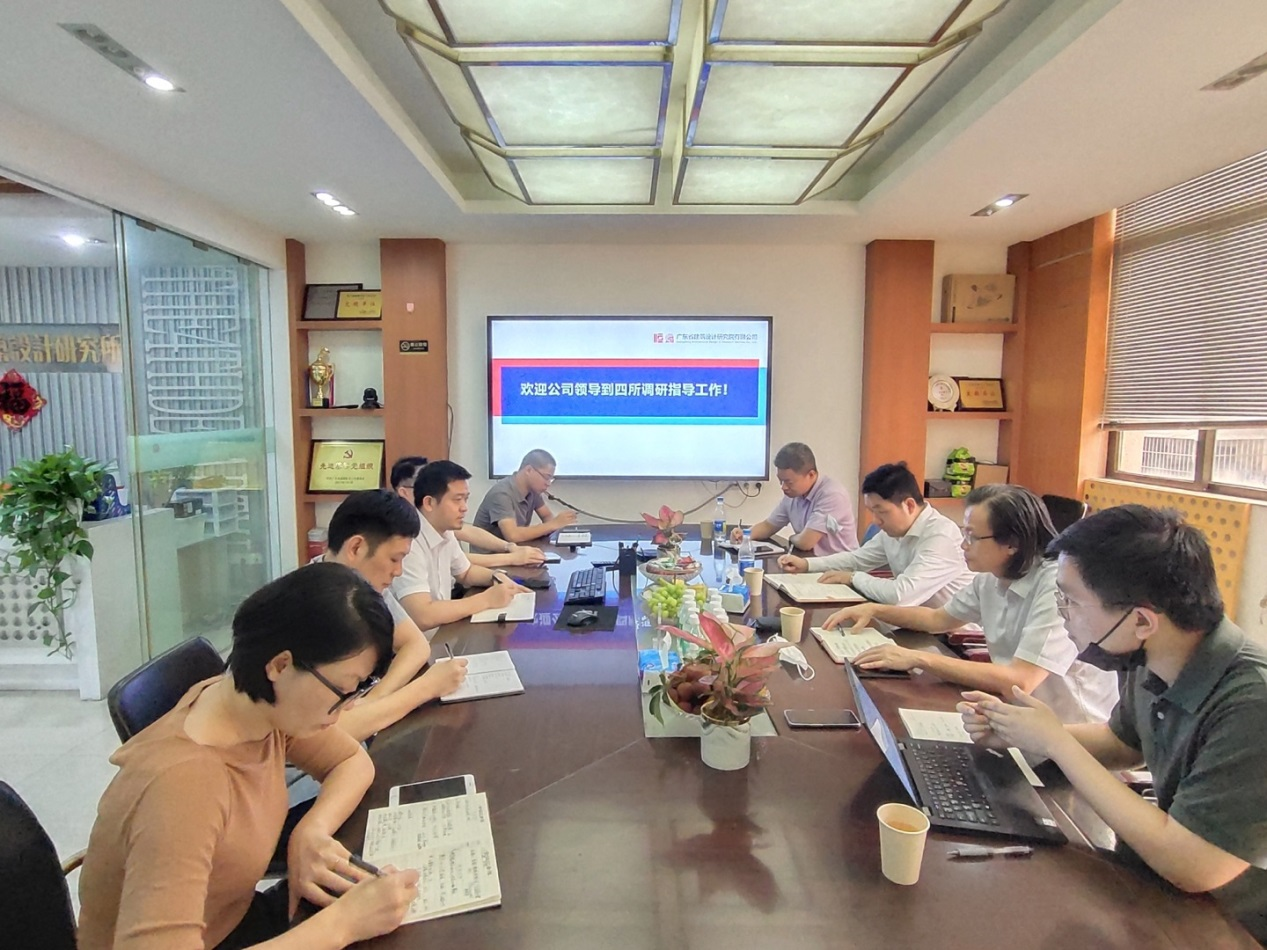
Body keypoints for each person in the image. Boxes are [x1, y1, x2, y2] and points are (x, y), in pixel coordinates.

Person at [958, 506, 1267, 943]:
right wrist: (1020, 732)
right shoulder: (1152, 653)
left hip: (1233, 918)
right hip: (1165, 881)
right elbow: (1123, 743)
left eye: (1071, 601)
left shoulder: (1253, 704)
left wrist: (1057, 741)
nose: (1063, 615)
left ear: (1141, 620)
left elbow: (1193, 866)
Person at [77, 563, 419, 949]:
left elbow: (351, 762)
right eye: (343, 691)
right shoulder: (184, 787)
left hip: (233, 919)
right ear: (280, 665)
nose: (346, 709)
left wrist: (311, 831)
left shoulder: (255, 710)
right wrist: (342, 925)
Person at [825, 484, 1117, 724]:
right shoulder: (991, 576)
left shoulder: (1056, 586)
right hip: (1020, 719)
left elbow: (1021, 679)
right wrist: (875, 610)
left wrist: (918, 658)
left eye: (972, 537)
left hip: (1074, 733)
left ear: (1012, 543)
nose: (963, 545)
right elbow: (937, 619)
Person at [315, 490, 467, 738]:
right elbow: (326, 735)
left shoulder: (362, 586)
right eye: (395, 559)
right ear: (356, 548)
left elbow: (416, 645)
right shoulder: (309, 608)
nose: (398, 572)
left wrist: (374, 699)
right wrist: (425, 688)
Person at [778, 462, 972, 609]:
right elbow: (857, 559)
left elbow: (900, 595)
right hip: (916, 623)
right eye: (872, 511)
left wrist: (854, 578)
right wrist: (807, 565)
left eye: (881, 511)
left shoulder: (940, 537)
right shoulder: (895, 530)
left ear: (909, 505)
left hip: (956, 639)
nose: (876, 521)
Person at [393, 460, 531, 637]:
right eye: (457, 500)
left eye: (466, 499)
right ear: (429, 503)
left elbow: (466, 572)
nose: (464, 508)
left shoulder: (445, 530)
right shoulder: (408, 542)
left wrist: (496, 577)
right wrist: (486, 599)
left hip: (441, 635)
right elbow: (423, 616)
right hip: (418, 645)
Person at [390, 455, 545, 566]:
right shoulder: (403, 531)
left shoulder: (438, 523)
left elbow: (469, 532)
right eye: (421, 482)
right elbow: (459, 560)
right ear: (403, 492)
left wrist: (509, 547)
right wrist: (512, 558)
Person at [729, 442, 857, 555]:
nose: (783, 487)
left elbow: (805, 542)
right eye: (781, 481)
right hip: (810, 561)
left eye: (789, 482)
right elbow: (768, 526)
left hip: (839, 568)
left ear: (811, 475)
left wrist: (792, 538)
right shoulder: (793, 495)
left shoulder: (832, 495)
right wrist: (745, 535)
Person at [471, 448, 576, 547]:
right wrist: (553, 524)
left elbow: (547, 516)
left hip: (514, 550)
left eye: (551, 479)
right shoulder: (502, 494)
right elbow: (512, 535)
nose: (548, 483)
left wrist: (557, 526)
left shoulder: (533, 490)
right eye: (546, 477)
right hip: (491, 555)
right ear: (529, 470)